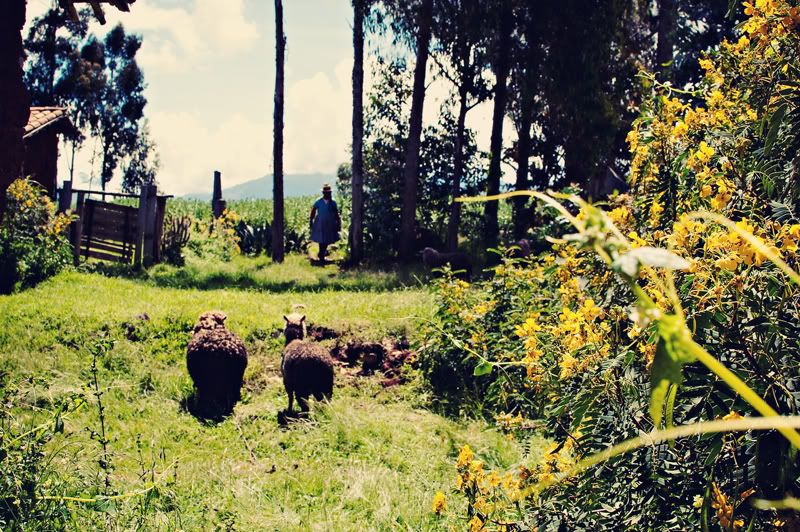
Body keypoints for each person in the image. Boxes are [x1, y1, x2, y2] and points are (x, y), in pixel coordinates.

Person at [309, 183, 341, 262]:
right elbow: (313, 210)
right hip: (320, 222)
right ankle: (322, 255)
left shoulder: (333, 202)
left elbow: (336, 213)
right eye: (327, 192)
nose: (328, 194)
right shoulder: (319, 201)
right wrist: (311, 220)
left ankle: (321, 253)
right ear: (323, 193)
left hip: (330, 223)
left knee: (327, 239)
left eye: (329, 192)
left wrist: (338, 222)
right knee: (321, 238)